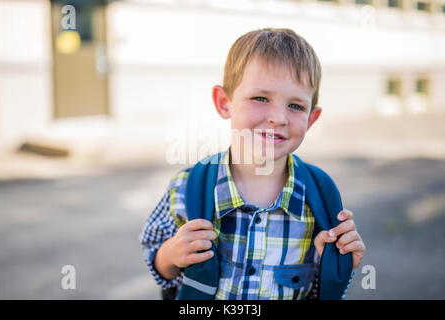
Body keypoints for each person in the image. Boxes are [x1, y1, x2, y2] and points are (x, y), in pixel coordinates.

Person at [140, 28, 365, 300]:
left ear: (311, 119)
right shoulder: (187, 188)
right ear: (224, 103)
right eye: (261, 98)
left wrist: (333, 266)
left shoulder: (319, 200)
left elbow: (320, 292)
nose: (278, 118)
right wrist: (169, 256)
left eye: (295, 106)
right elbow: (156, 258)